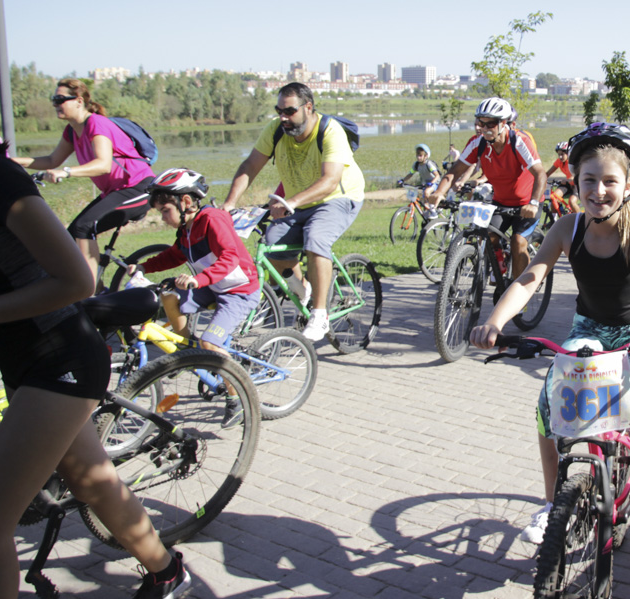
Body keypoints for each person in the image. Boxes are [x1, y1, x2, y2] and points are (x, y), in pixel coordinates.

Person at [0, 59, 189, 599]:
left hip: (59, 358)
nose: (58, 108)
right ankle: (167, 573)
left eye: (61, 100)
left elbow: (72, 280)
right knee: (94, 481)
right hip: (27, 357)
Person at [469, 122, 630, 543]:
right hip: (589, 328)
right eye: (589, 180)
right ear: (576, 183)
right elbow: (530, 278)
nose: (599, 190)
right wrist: (495, 321)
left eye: (610, 181)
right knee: (549, 412)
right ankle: (549, 505)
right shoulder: (568, 229)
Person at [222, 82, 365, 342]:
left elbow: (330, 181)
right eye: (279, 111)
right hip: (299, 201)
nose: (283, 118)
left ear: (308, 107)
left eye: (289, 111)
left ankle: (320, 315)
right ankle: (302, 289)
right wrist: (229, 204)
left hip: (339, 197)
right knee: (272, 245)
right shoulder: (276, 131)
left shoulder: (330, 131)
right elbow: (250, 165)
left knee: (316, 238)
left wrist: (291, 202)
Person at [127, 168, 260, 428]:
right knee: (168, 295)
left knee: (211, 344)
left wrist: (197, 280)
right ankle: (189, 350)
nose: (164, 218)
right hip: (212, 286)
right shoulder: (186, 230)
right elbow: (173, 256)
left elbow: (229, 258)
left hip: (238, 291)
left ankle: (237, 400)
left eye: (165, 210)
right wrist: (144, 267)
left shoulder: (211, 219)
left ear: (185, 202)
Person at [11, 78, 155, 286]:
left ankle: (88, 288)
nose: (55, 105)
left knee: (85, 226)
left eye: (60, 99)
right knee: (72, 234)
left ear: (79, 101)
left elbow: (103, 164)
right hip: (115, 191)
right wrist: (11, 161)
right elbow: (52, 160)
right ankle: (92, 287)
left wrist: (66, 172)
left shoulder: (96, 123)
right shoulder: (72, 130)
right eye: (54, 100)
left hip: (138, 188)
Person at [430, 98, 546, 281]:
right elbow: (454, 171)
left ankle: (520, 295)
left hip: (527, 202)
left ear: (504, 123)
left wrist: (532, 203)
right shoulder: (479, 143)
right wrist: (439, 192)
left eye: (490, 123)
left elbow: (540, 174)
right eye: (480, 123)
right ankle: (500, 273)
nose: (484, 128)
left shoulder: (518, 141)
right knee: (489, 234)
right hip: (501, 201)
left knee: (517, 242)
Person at [397, 143, 442, 217]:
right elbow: (410, 174)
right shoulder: (416, 165)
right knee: (424, 200)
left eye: (420, 156)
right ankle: (428, 217)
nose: (418, 157)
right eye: (417, 155)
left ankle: (433, 212)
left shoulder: (429, 164)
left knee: (427, 192)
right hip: (426, 184)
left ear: (426, 156)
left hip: (435, 183)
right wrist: (403, 180)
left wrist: (431, 183)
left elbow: (437, 175)